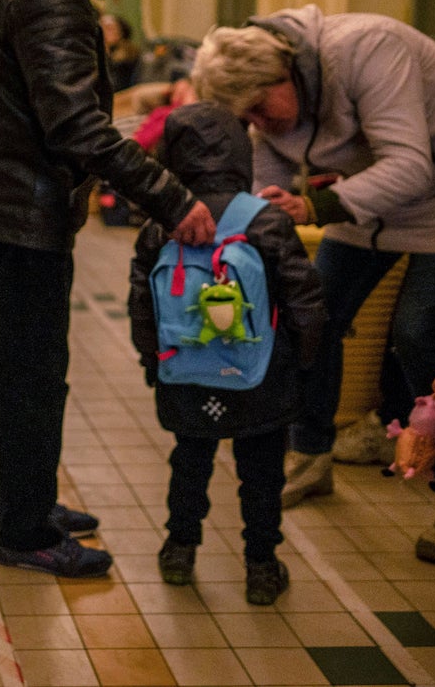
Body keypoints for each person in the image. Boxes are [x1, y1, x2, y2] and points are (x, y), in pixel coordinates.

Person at [0, 0, 216, 578]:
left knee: (15, 367)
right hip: (22, 208)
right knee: (31, 372)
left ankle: (20, 502)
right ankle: (25, 530)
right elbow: (76, 126)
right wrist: (172, 197)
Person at [191, 4, 435, 564]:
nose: (259, 121)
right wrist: (240, 225)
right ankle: (311, 455)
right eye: (245, 116)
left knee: (423, 335)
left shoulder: (369, 48)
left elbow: (410, 165)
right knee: (311, 312)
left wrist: (311, 204)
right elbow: (269, 169)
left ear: (286, 70)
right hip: (375, 198)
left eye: (260, 107)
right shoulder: (276, 94)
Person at [128, 102, 326, 605]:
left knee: (189, 460)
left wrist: (153, 361)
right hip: (258, 374)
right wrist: (302, 361)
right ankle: (261, 566)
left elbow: (141, 300)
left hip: (186, 371)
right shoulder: (264, 219)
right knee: (261, 472)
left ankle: (179, 548)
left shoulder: (163, 221)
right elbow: (303, 297)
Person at [100, 12, 139, 91]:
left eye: (108, 28)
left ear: (120, 32)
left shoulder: (127, 53)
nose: (102, 32)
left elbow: (115, 86)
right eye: (100, 27)